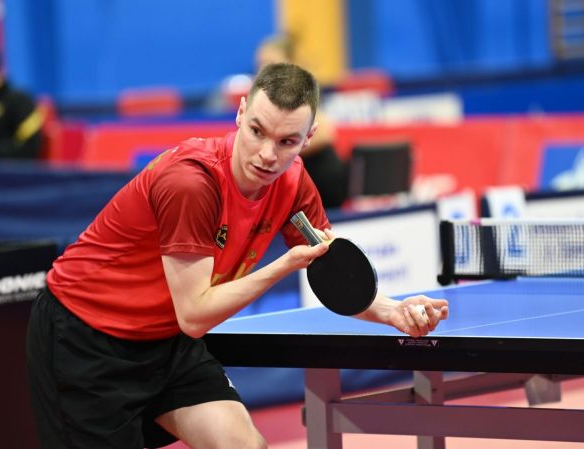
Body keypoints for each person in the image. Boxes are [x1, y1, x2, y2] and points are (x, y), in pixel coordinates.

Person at [26, 63, 448, 449]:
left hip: (165, 340)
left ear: (309, 138)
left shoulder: (293, 183)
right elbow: (195, 315)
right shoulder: (191, 184)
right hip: (86, 337)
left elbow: (333, 272)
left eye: (287, 141)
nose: (267, 155)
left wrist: (392, 311)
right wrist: (282, 266)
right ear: (241, 113)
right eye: (257, 131)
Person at [255, 35, 350, 209]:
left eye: (270, 63)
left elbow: (325, 134)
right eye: (260, 63)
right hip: (295, 182)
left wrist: (283, 148)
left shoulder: (301, 90)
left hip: (323, 178)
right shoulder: (265, 97)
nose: (263, 69)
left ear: (290, 63)